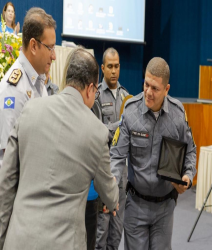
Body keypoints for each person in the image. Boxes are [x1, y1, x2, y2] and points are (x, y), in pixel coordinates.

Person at [0, 46, 119, 250]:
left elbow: (6, 182)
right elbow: (111, 196)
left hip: (19, 240)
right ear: (91, 88)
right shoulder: (97, 132)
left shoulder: (30, 110)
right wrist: (113, 191)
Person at [110, 57, 197, 250]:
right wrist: (112, 185)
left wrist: (187, 176)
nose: (148, 92)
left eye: (155, 88)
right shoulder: (131, 111)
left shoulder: (177, 114)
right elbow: (116, 156)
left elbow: (190, 150)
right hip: (136, 205)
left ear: (166, 89)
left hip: (165, 209)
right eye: (146, 84)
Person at [0, 7, 56, 168]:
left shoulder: (38, 81)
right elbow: (8, 164)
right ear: (33, 46)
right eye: (50, 48)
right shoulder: (14, 90)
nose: (54, 56)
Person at [95, 47, 129, 250]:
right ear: (102, 68)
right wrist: (120, 126)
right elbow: (97, 132)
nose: (114, 71)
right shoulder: (96, 96)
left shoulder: (127, 97)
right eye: (110, 67)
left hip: (122, 177)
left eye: (117, 66)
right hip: (104, 173)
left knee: (116, 234)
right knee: (101, 233)